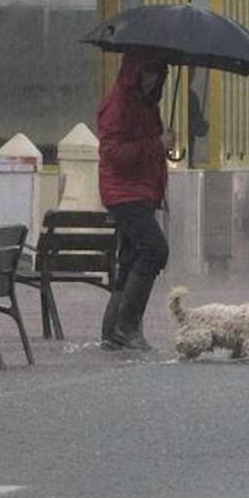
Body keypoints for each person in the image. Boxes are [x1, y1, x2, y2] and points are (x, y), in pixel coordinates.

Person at [97, 51, 171, 351]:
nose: (152, 77)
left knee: (130, 258)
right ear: (135, 71)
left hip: (141, 191)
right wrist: (156, 145)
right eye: (148, 70)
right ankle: (127, 328)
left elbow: (144, 148)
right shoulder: (120, 105)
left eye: (158, 71)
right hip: (124, 193)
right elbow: (113, 153)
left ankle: (112, 331)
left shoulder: (146, 104)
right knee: (155, 250)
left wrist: (162, 146)